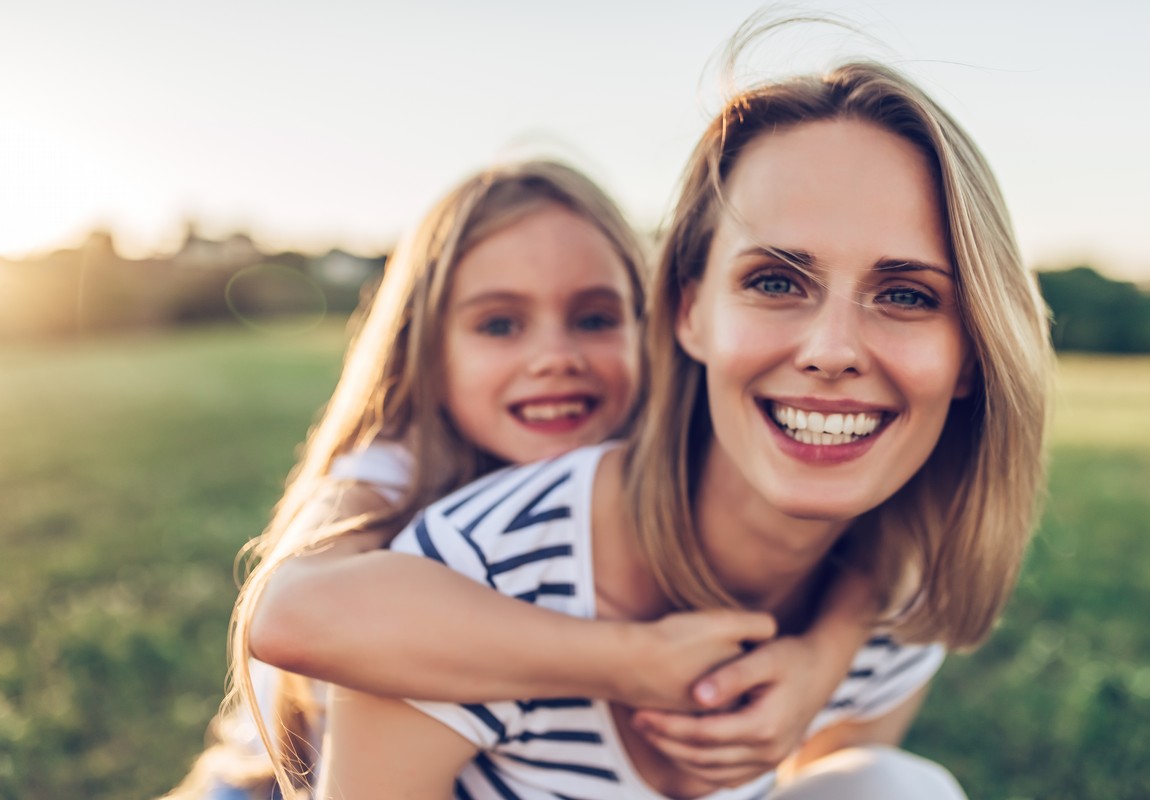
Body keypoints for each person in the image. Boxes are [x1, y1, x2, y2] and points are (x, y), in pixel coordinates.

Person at [302, 53, 1053, 800]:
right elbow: (292, 612)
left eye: (907, 295)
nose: (831, 352)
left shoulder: (890, 595)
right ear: (690, 314)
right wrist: (631, 658)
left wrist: (832, 647)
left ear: (973, 355)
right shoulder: (453, 566)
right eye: (775, 281)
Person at [164, 159, 875, 800]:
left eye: (595, 318)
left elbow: (873, 531)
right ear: (429, 349)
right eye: (500, 325)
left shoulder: (654, 461)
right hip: (270, 785)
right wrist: (632, 662)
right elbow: (291, 615)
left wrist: (821, 658)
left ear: (653, 328)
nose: (554, 357)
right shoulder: (390, 467)